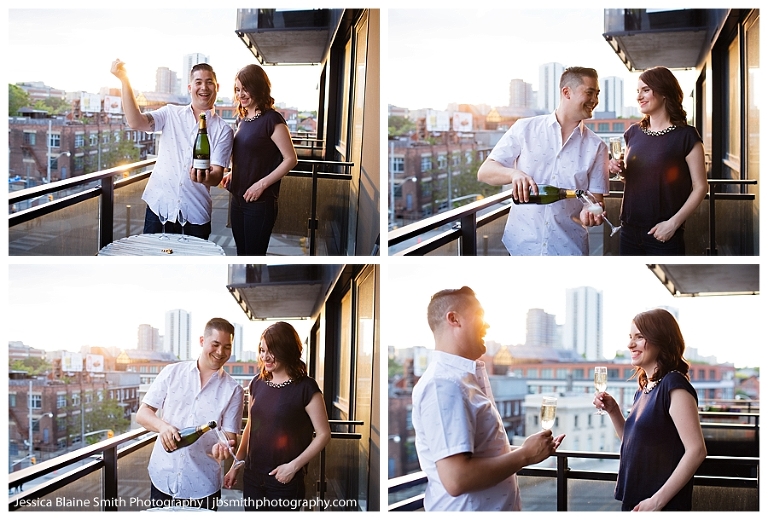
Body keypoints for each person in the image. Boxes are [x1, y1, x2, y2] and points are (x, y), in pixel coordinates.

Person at [412, 286, 565, 511]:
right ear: (454, 319)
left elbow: (481, 454)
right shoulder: (443, 384)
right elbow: (457, 479)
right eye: (480, 316)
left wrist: (526, 449)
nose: (487, 325)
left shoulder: (460, 380)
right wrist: (524, 455)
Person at [477, 67, 609, 255]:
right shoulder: (524, 128)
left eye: (597, 94)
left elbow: (597, 200)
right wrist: (514, 173)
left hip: (569, 250)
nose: (595, 100)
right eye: (589, 93)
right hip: (520, 247)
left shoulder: (598, 147)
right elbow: (485, 172)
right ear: (566, 92)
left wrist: (590, 211)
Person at [594, 308, 706, 511]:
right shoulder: (645, 389)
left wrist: (657, 501)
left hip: (659, 506)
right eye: (630, 337)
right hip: (637, 501)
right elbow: (631, 440)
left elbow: (697, 450)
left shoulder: (673, 384)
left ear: (661, 339)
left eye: (639, 337)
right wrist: (614, 411)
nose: (630, 344)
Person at [110, 59, 234, 240]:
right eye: (198, 82)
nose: (204, 88)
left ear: (217, 87)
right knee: (155, 266)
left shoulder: (224, 130)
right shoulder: (170, 113)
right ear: (189, 87)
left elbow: (216, 177)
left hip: (195, 216)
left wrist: (203, 176)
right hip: (158, 209)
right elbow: (135, 121)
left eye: (209, 82)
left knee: (190, 268)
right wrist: (124, 80)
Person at [136, 318, 245, 510]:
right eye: (215, 344)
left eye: (227, 347)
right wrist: (163, 426)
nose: (221, 352)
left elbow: (229, 438)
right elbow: (143, 414)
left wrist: (223, 449)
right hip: (162, 477)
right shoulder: (172, 372)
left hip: (203, 487)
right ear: (202, 341)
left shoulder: (234, 390)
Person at [223, 322, 330, 511]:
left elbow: (323, 434)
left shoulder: (306, 387)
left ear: (287, 349)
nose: (265, 356)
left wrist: (293, 467)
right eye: (262, 350)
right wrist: (236, 465)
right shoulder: (257, 383)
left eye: (272, 351)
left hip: (286, 481)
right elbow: (251, 426)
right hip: (253, 478)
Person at [610, 66, 707, 255]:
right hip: (628, 231)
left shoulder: (686, 136)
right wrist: (621, 170)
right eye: (638, 91)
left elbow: (701, 187)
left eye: (645, 90)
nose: (639, 96)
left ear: (664, 92)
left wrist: (673, 224)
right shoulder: (633, 133)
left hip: (664, 234)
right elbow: (635, 178)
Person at [222, 64, 298, 255]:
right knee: (241, 255)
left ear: (258, 87)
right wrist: (233, 172)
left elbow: (290, 159)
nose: (241, 94)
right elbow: (248, 154)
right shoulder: (242, 119)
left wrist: (261, 185)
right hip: (238, 199)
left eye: (245, 88)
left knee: (253, 259)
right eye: (237, 90)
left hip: (260, 203)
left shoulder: (272, 119)